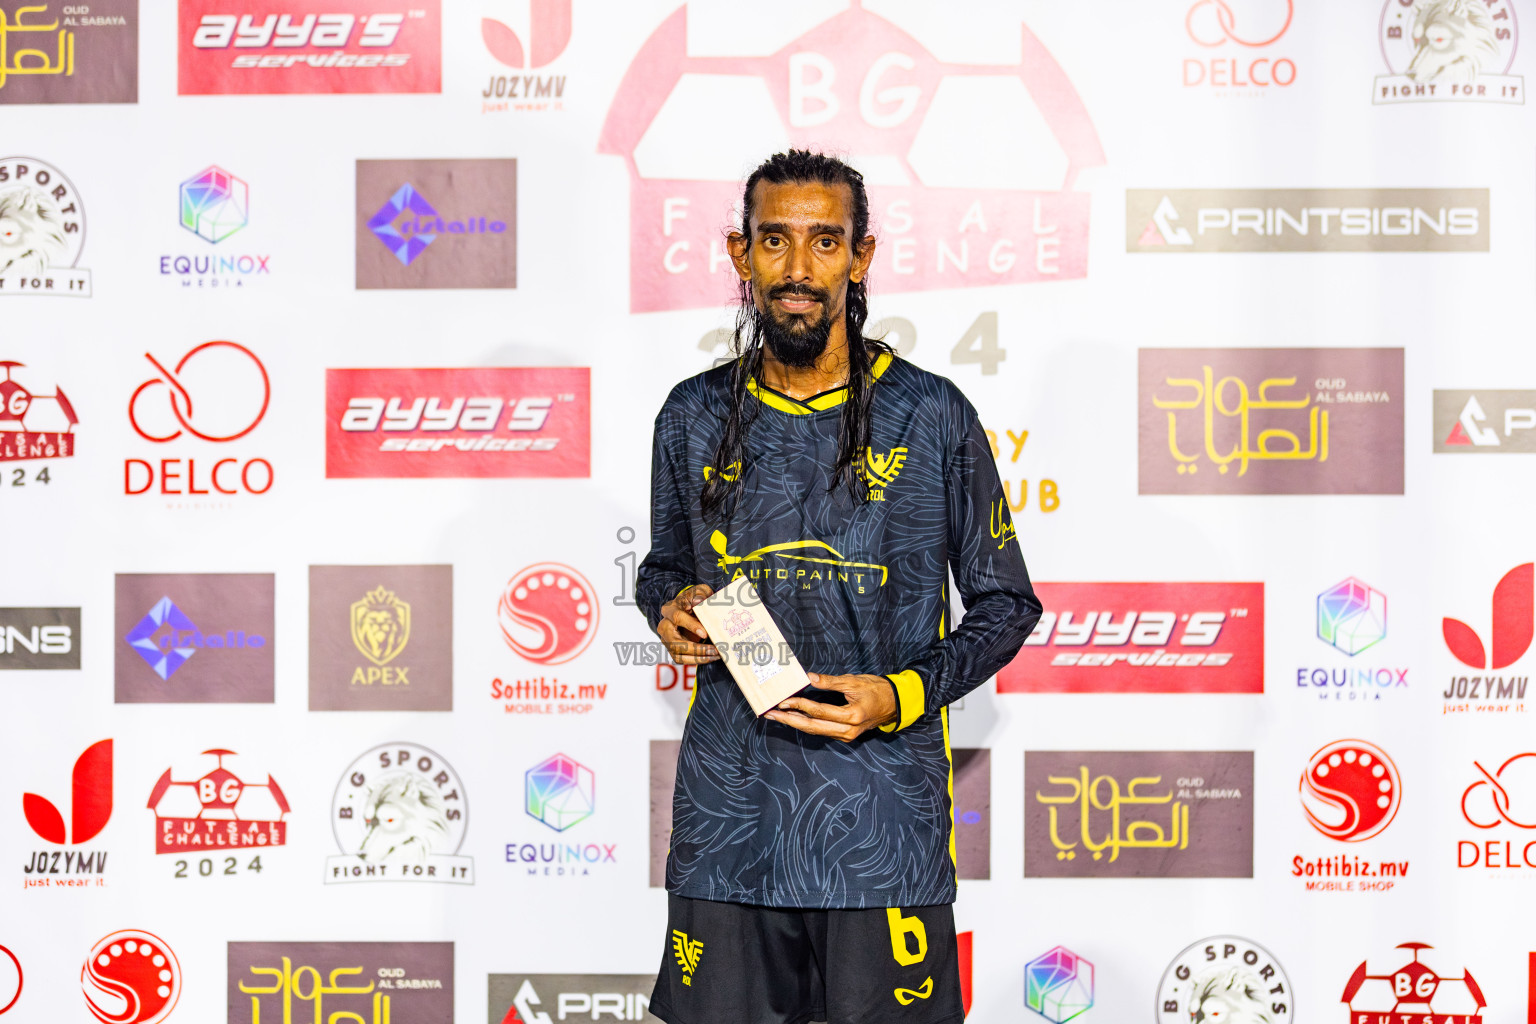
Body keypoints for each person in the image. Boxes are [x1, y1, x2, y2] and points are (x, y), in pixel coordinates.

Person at [636, 150, 1041, 1024]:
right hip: (729, 828)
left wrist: (896, 694)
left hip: (881, 830)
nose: (798, 269)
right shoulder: (691, 413)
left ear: (861, 256)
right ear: (740, 255)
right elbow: (666, 567)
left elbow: (1007, 604)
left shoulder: (932, 414)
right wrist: (666, 606)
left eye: (825, 243)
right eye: (775, 242)